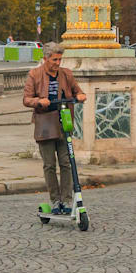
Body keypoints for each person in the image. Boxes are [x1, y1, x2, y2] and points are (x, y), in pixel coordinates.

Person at [21, 43, 87, 216]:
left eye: (59, 59)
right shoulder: (34, 74)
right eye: (54, 59)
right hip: (44, 124)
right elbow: (27, 99)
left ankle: (66, 200)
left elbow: (78, 92)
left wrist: (80, 96)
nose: (58, 63)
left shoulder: (67, 74)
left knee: (66, 163)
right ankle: (55, 200)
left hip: (63, 122)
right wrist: (38, 101)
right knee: (49, 165)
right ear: (45, 59)